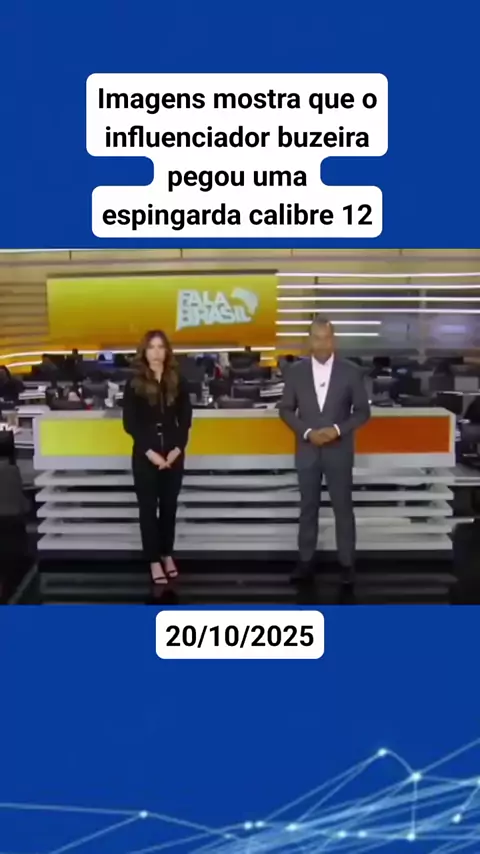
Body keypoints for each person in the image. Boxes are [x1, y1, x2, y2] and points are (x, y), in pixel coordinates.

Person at [279, 316, 371, 588]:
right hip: (307, 450)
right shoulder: (295, 372)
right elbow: (285, 409)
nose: (322, 344)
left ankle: (347, 564)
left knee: (343, 507)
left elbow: (363, 412)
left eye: (327, 338)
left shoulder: (351, 371)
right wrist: (307, 432)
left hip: (338, 450)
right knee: (308, 507)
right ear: (309, 340)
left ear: (334, 339)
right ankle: (305, 561)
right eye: (317, 338)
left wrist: (338, 430)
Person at [122, 330, 192, 585]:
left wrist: (177, 450)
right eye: (151, 347)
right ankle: (153, 560)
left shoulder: (178, 380)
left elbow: (185, 419)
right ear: (144, 351)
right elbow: (130, 423)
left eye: (160, 347)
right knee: (148, 510)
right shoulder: (134, 383)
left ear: (167, 351)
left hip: (174, 454)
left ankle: (167, 554)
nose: (156, 352)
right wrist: (151, 453)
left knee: (169, 508)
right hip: (146, 455)